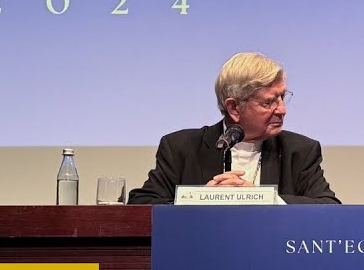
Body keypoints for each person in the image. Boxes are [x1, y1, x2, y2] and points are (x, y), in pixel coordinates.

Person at [128, 52, 339, 205]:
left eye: (282, 97)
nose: (282, 110)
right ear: (234, 108)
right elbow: (141, 203)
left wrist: (263, 199)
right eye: (269, 102)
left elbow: (329, 207)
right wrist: (197, 201)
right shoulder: (181, 147)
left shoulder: (299, 151)